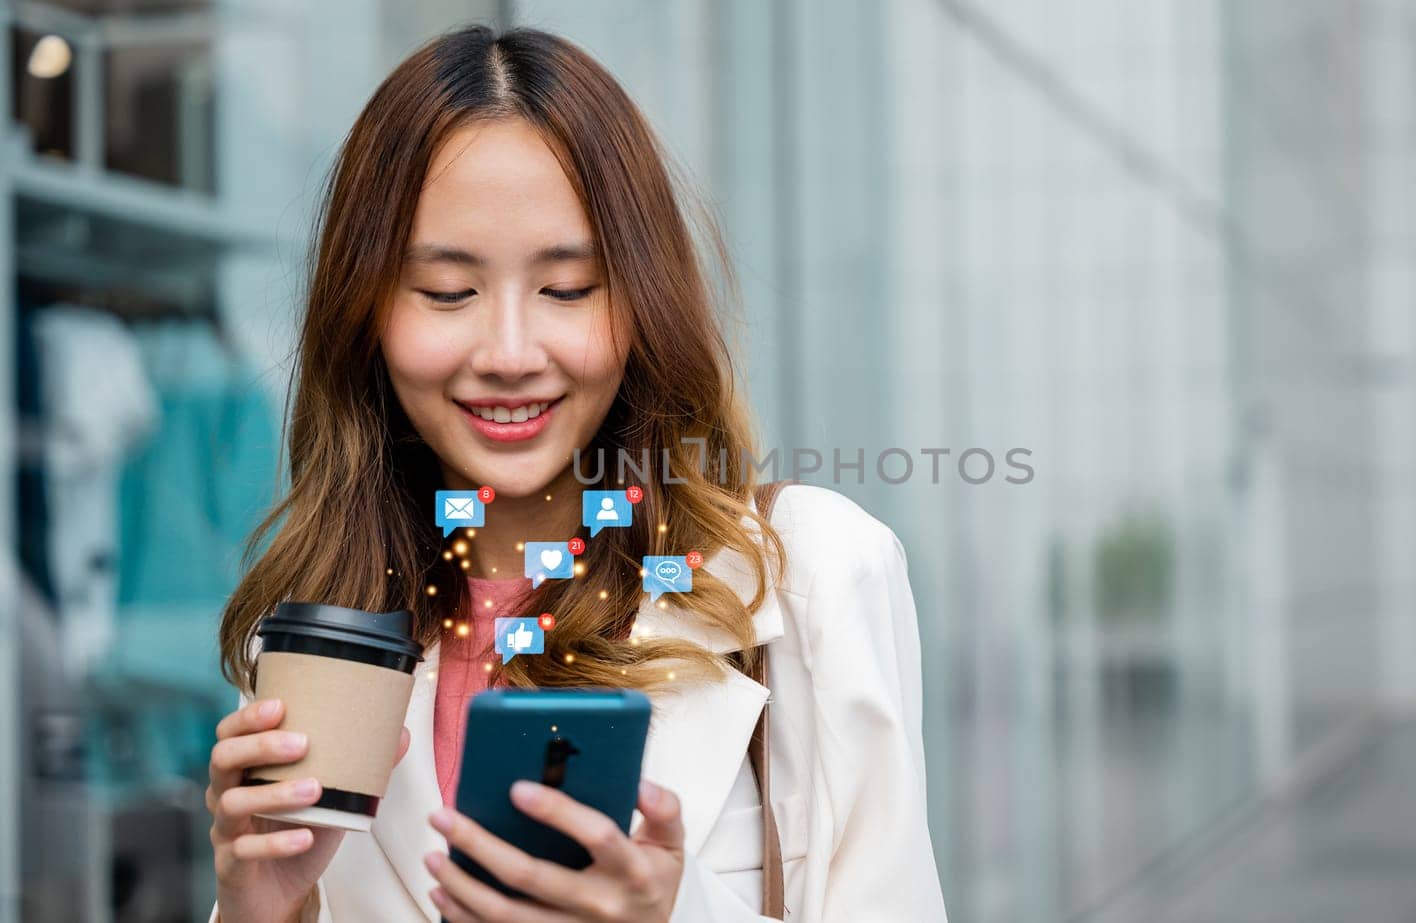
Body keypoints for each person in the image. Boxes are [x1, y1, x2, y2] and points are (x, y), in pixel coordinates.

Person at [203, 24, 945, 923]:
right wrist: (263, 908)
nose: (510, 354)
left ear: (641, 301)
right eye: (447, 292)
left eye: (567, 289)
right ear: (365, 313)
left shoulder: (812, 573)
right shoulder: (326, 637)